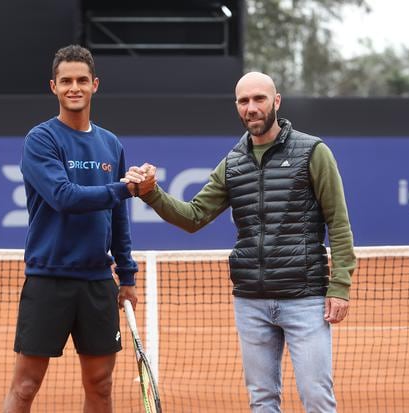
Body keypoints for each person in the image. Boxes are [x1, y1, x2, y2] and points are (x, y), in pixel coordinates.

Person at [124, 72, 356, 412]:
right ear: (237, 106)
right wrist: (150, 193)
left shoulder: (313, 152)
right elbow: (193, 216)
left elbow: (338, 222)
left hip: (304, 297)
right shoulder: (232, 164)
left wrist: (339, 285)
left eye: (259, 99)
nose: (252, 108)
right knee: (262, 401)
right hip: (251, 301)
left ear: (276, 101)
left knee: (317, 398)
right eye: (244, 101)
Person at [3, 44, 154, 413]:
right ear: (53, 86)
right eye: (66, 80)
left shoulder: (110, 143)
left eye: (82, 80)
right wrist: (128, 187)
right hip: (48, 279)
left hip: (97, 283)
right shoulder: (41, 140)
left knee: (100, 387)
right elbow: (63, 196)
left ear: (94, 85)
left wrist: (128, 276)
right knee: (24, 388)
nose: (74, 87)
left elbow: (118, 216)